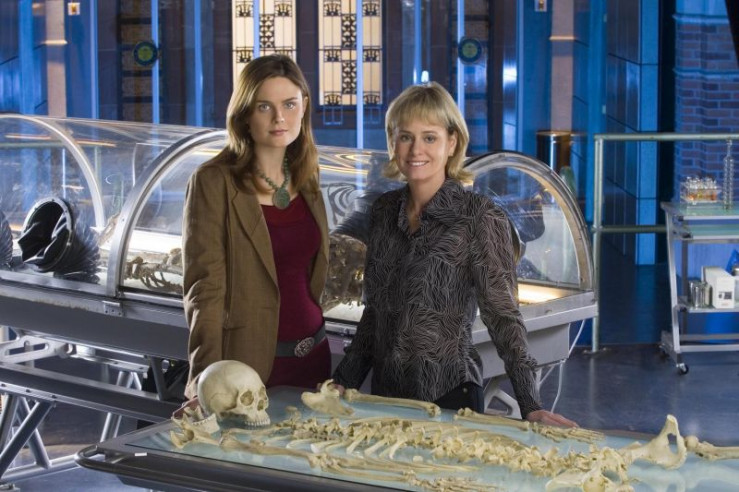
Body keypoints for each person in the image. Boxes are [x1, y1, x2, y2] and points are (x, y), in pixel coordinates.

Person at [331, 82, 576, 427]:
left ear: (452, 143)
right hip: (384, 398)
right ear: (392, 143)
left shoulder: (480, 218)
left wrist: (530, 404)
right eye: (405, 137)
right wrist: (342, 383)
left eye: (429, 137)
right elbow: (374, 316)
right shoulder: (383, 212)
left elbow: (504, 319)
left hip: (451, 398)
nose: (416, 149)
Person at [181, 54, 330, 405]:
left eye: (289, 104)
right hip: (246, 368)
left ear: (304, 107)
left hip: (314, 359)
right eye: (265, 107)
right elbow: (204, 290)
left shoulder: (306, 176)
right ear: (245, 114)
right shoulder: (213, 181)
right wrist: (203, 380)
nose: (279, 118)